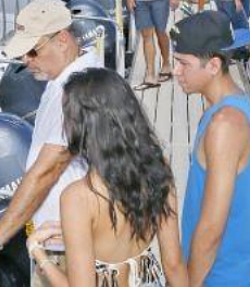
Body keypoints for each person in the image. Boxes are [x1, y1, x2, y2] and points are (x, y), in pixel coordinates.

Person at [0, 0, 102, 283]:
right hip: (58, 239)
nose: (26, 60)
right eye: (23, 52)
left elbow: (47, 170)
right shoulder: (65, 80)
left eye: (33, 51)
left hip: (67, 248)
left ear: (62, 40)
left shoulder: (76, 91)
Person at [26, 68, 188, 286]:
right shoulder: (158, 170)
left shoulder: (78, 197)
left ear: (83, 126)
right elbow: (174, 265)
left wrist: (38, 252)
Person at [172, 11, 250, 286]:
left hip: (219, 277)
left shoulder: (225, 124)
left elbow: (211, 228)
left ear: (212, 65)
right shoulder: (228, 105)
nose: (176, 71)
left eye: (183, 63)